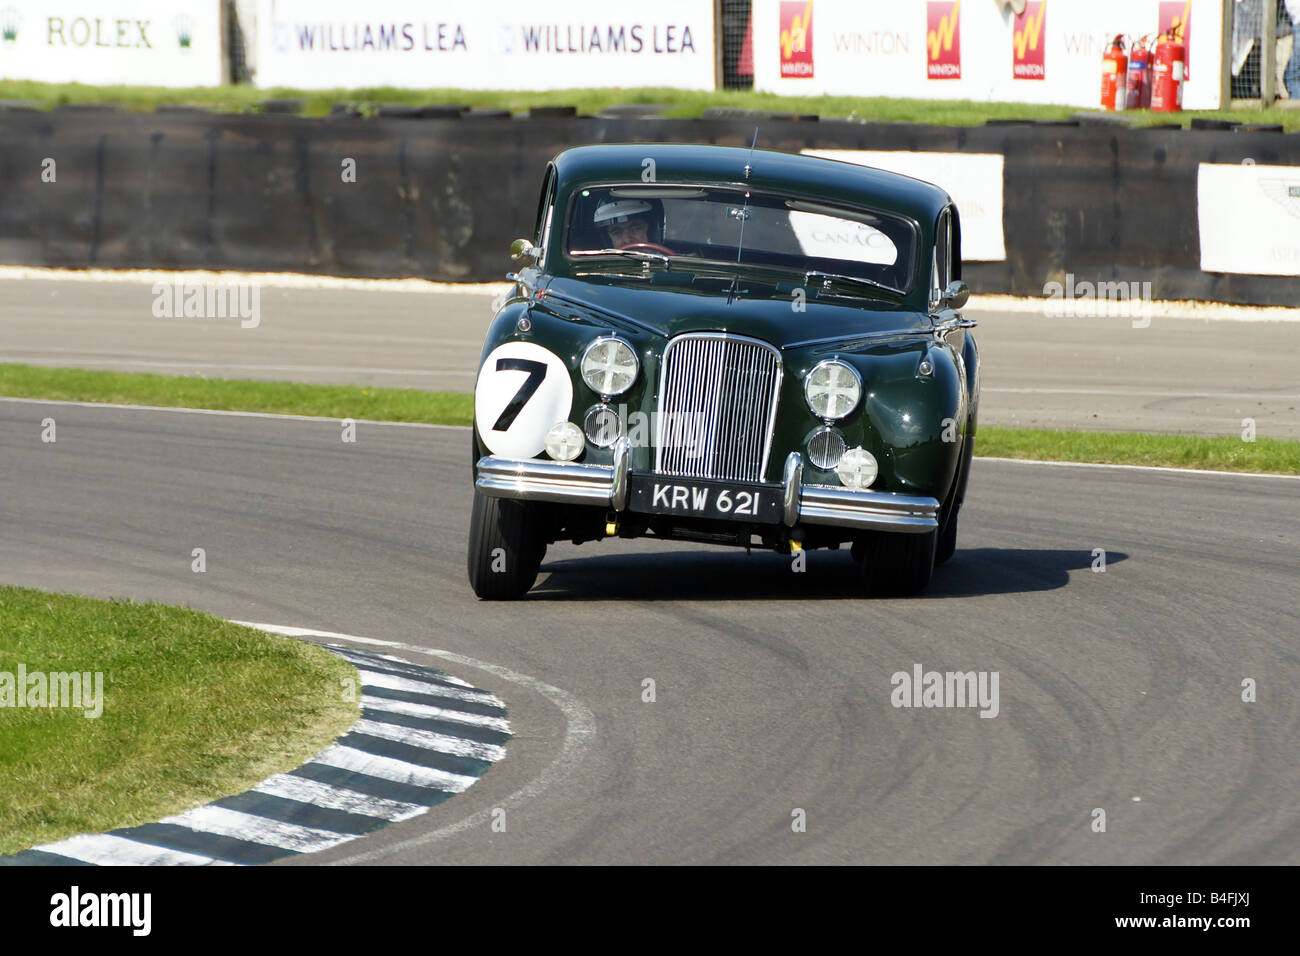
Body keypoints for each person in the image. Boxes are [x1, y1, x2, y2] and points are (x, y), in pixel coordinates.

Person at [593, 198, 662, 249]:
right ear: (609, 240)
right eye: (617, 232)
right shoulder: (601, 268)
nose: (627, 240)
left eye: (636, 228)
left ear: (652, 231)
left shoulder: (668, 264)